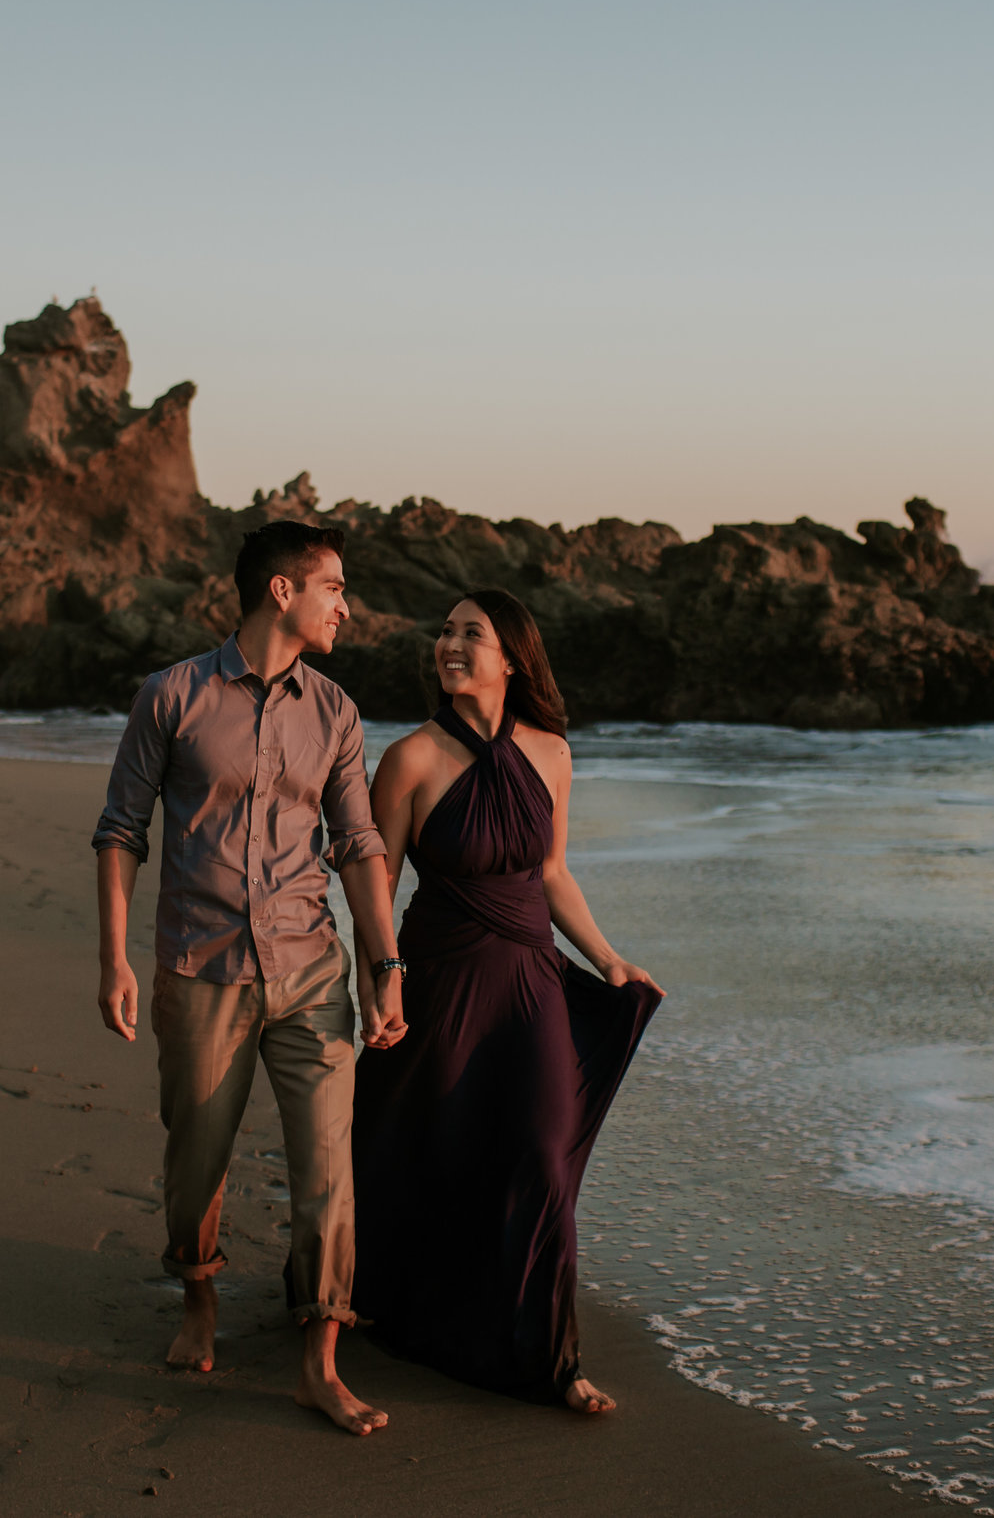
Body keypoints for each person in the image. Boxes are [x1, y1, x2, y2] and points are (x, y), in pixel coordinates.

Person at [90, 520, 403, 1436]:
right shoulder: (172, 697)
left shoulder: (338, 713)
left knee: (328, 1171)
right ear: (282, 590)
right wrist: (113, 957)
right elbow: (120, 831)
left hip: (313, 971)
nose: (346, 605)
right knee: (197, 1162)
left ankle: (319, 1358)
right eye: (334, 587)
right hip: (203, 968)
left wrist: (385, 965)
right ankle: (198, 1294)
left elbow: (358, 845)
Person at [352, 587, 663, 1412]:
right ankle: (390, 1299)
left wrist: (607, 959)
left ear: (512, 658)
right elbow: (378, 879)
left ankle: (554, 1359)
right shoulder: (411, 758)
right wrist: (379, 976)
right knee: (420, 1139)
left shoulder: (553, 753)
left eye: (470, 634)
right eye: (445, 631)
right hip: (442, 973)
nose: (449, 645)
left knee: (543, 1146)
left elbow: (553, 872)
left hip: (530, 977)